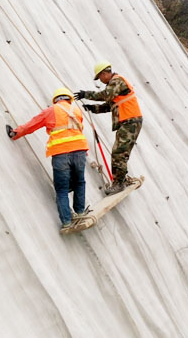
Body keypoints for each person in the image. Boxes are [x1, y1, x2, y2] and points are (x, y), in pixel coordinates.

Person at [8, 88, 89, 234]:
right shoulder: (76, 110)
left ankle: (66, 222)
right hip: (79, 151)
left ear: (56, 99)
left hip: (60, 153)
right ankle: (80, 213)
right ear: (69, 98)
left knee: (62, 189)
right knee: (79, 182)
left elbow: (32, 125)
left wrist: (15, 133)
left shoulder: (51, 111)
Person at [74, 61, 142, 195]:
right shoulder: (116, 85)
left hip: (130, 122)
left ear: (104, 73)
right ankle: (121, 179)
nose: (100, 80)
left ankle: (119, 183)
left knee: (119, 153)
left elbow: (105, 95)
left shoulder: (116, 81)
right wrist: (93, 108)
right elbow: (108, 105)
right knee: (120, 152)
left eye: (99, 77)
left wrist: (85, 94)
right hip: (129, 122)